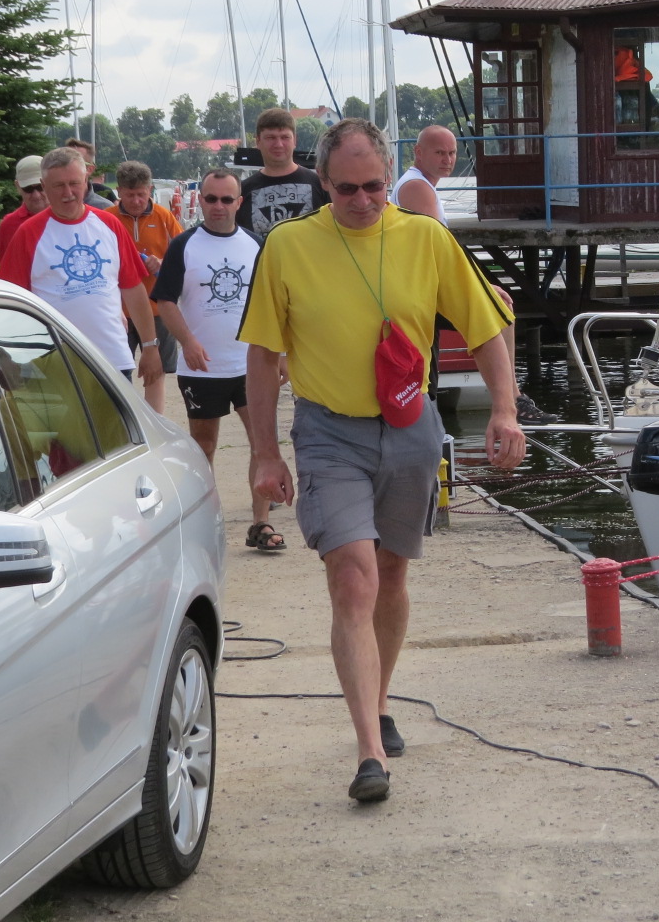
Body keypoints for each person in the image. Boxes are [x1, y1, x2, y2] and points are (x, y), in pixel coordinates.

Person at [241, 117, 524, 804]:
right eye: (346, 190)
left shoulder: (425, 238)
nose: (363, 201)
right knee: (353, 577)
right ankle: (370, 750)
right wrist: (264, 452)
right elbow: (262, 355)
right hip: (328, 431)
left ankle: (381, 698)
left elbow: (485, 326)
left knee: (392, 573)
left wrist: (505, 409)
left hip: (409, 426)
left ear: (389, 178)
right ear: (322, 182)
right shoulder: (288, 246)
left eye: (373, 186)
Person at [391, 125, 559, 425]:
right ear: (418, 152)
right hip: (422, 288)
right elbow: (439, 249)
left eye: (452, 153)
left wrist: (482, 285)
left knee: (499, 307)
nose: (447, 160)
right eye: (439, 153)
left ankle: (511, 397)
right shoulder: (416, 187)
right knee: (499, 310)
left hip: (425, 283)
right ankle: (511, 400)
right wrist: (481, 287)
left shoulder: (420, 184)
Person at [151, 168, 281, 551]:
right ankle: (207, 522)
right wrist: (187, 341)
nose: (218, 206)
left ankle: (261, 523)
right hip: (202, 369)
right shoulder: (184, 245)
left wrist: (282, 355)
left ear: (239, 202)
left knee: (261, 444)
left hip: (250, 365)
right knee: (204, 446)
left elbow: (276, 302)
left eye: (227, 199)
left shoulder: (257, 245)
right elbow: (165, 300)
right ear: (202, 201)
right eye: (211, 199)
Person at [0, 147, 162, 387]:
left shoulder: (109, 224)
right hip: (55, 364)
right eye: (59, 186)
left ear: (86, 180)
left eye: (74, 183)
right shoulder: (28, 234)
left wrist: (150, 346)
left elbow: (134, 289)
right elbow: (9, 301)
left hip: (112, 359)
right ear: (44, 185)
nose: (68, 193)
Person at [108, 160, 183, 414]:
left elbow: (183, 255)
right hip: (119, 310)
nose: (137, 201)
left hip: (156, 308)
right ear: (119, 191)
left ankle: (155, 421)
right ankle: (125, 419)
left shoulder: (164, 217)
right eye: (130, 195)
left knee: (156, 370)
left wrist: (162, 262)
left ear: (150, 190)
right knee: (118, 370)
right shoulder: (107, 218)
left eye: (141, 194)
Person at [235, 107, 328, 238]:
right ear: (258, 141)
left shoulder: (320, 185)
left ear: (294, 140)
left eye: (285, 137)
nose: (278, 144)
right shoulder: (242, 191)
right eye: (270, 137)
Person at [0, 154, 48, 263]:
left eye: (40, 187)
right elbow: (6, 268)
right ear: (18, 187)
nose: (36, 195)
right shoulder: (9, 225)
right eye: (28, 189)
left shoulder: (67, 217)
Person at [64, 137, 116, 207]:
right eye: (64, 162)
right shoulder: (53, 204)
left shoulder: (104, 207)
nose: (68, 167)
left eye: (76, 163)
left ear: (90, 169)